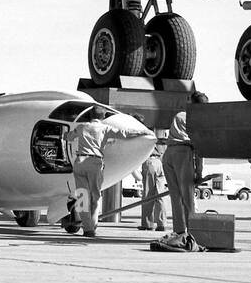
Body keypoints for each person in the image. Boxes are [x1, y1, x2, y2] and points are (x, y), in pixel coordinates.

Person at [67, 106, 151, 238]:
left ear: (90, 116)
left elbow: (69, 137)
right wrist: (142, 132)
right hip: (94, 163)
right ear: (102, 117)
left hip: (79, 162)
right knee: (95, 196)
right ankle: (91, 228)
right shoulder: (105, 128)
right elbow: (125, 133)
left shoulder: (82, 127)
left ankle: (87, 227)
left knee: (82, 197)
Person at [158, 91, 209, 251]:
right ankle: (193, 232)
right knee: (188, 195)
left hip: (169, 153)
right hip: (183, 153)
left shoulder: (179, 115)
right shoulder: (198, 120)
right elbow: (200, 147)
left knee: (175, 196)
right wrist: (199, 173)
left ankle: (179, 232)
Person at [139, 132, 167, 232]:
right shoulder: (159, 137)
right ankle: (161, 223)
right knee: (160, 195)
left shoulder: (143, 134)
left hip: (149, 161)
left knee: (148, 194)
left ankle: (147, 223)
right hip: (159, 162)